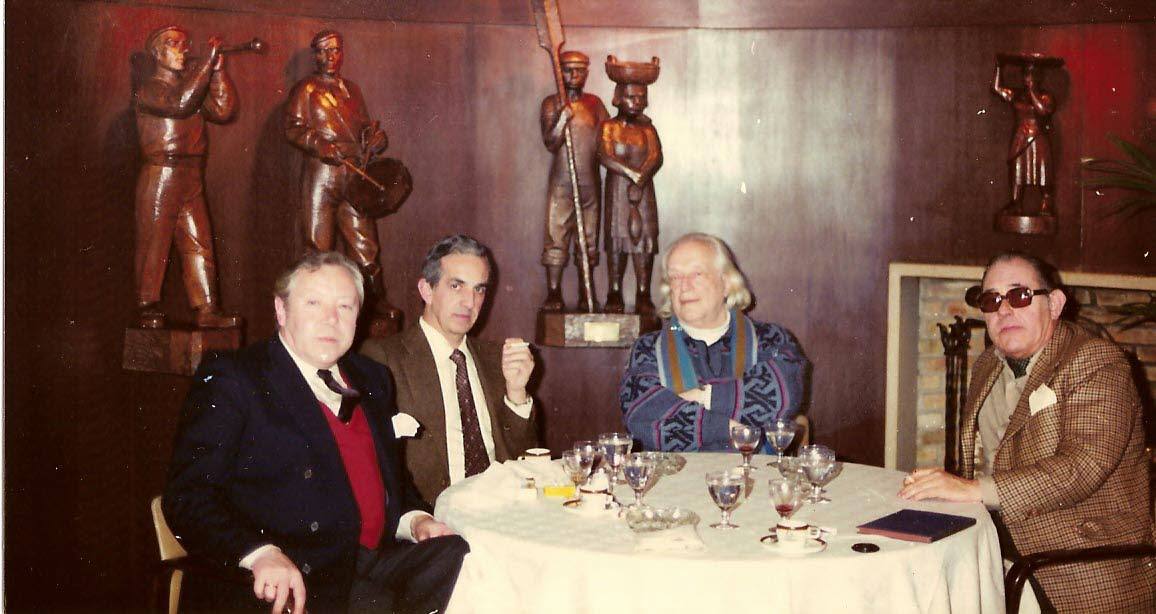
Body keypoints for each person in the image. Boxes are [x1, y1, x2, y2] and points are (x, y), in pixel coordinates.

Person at [164, 252, 467, 614]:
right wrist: (259, 554)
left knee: (462, 557)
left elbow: (391, 478)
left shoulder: (371, 377)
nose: (331, 320)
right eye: (313, 303)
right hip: (295, 574)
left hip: (371, 559)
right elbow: (188, 497)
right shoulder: (236, 379)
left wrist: (416, 519)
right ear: (281, 310)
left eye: (345, 306)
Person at [900, 252, 1154, 612]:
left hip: (1078, 561)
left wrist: (973, 490)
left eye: (1019, 296)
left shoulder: (1097, 362)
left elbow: (1082, 466)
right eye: (991, 300)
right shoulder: (988, 365)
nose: (1004, 310)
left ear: (1054, 303)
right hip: (1005, 545)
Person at [361, 235, 539, 504]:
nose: (469, 301)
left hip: (503, 511)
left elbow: (527, 462)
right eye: (456, 286)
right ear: (426, 290)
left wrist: (517, 394)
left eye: (479, 289)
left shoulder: (496, 359)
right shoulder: (385, 357)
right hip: (433, 518)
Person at [618, 233, 808, 451]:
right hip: (678, 483)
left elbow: (783, 396)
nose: (684, 286)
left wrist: (703, 397)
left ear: (726, 283)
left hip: (758, 481)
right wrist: (726, 427)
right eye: (675, 277)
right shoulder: (647, 349)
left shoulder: (772, 339)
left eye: (696, 274)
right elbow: (643, 418)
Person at [133, 25, 240, 328]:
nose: (182, 49)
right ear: (156, 52)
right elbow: (180, 103)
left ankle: (207, 308)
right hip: (161, 173)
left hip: (191, 175)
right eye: (173, 44)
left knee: (199, 241)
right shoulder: (151, 87)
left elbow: (223, 109)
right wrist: (206, 64)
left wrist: (217, 72)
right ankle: (146, 306)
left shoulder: (195, 83)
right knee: (154, 241)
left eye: (184, 44)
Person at [285, 30, 396, 319]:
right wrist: (319, 145)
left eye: (335, 50)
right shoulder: (306, 89)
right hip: (322, 173)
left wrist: (374, 139)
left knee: (365, 244)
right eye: (323, 51)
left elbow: (363, 128)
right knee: (317, 245)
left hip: (354, 173)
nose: (330, 57)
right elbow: (293, 128)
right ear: (315, 55)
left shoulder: (352, 90)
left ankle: (375, 304)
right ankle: (314, 306)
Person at [539, 51, 610, 312]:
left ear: (587, 73)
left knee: (588, 239)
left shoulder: (595, 104)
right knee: (556, 234)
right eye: (569, 70)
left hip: (590, 181)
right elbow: (550, 141)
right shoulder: (552, 103)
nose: (574, 75)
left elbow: (605, 143)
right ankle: (554, 292)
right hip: (562, 182)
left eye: (580, 70)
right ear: (560, 71)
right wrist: (562, 119)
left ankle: (585, 291)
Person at [600, 56, 663, 315]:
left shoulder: (648, 128)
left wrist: (642, 176)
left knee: (643, 241)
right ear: (617, 98)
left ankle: (643, 293)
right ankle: (614, 290)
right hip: (618, 191)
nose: (636, 103)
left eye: (641, 98)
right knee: (617, 240)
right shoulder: (610, 127)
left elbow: (656, 155)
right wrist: (630, 173)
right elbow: (604, 155)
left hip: (643, 190)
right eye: (631, 98)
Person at [993, 60, 1056, 215]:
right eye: (1026, 75)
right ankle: (1016, 203)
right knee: (1017, 171)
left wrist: (1033, 91)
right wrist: (1000, 66)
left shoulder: (1046, 97)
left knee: (1042, 171)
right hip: (1020, 137)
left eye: (1032, 76)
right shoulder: (1017, 95)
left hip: (1038, 136)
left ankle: (1046, 203)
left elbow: (1042, 110)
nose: (1028, 78)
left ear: (1038, 78)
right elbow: (996, 88)